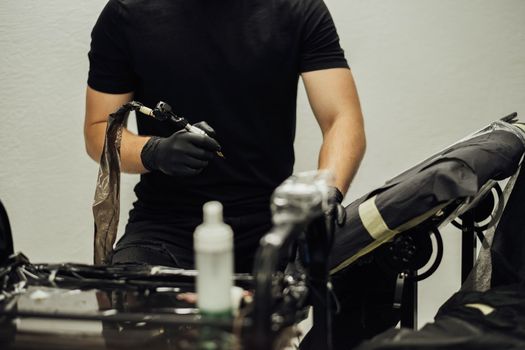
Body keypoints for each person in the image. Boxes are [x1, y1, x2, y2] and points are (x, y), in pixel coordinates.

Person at [85, 0, 371, 347]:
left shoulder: (297, 8)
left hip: (271, 229)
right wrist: (153, 151)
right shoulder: (127, 13)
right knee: (129, 319)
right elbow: (98, 130)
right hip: (165, 229)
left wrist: (326, 196)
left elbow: (342, 118)